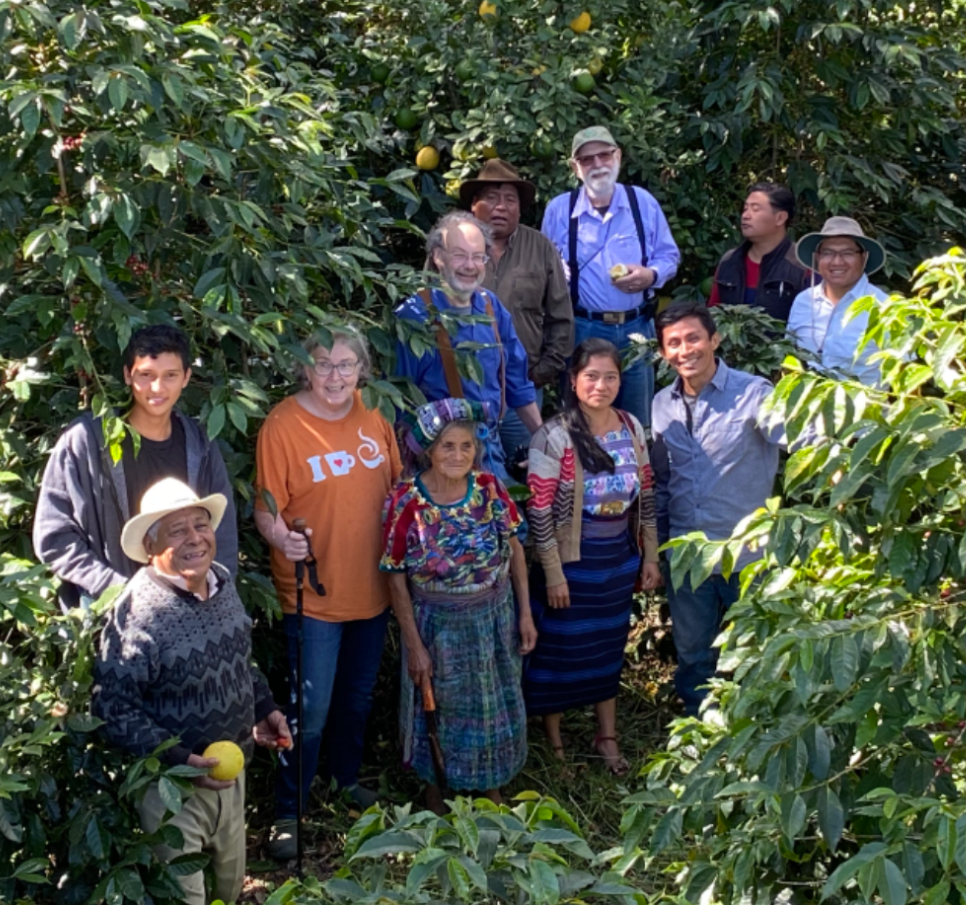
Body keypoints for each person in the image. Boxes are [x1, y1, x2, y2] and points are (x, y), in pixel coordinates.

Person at [92, 478, 289, 905]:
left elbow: (239, 659)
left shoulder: (221, 581)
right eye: (177, 530)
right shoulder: (136, 614)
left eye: (201, 525)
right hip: (171, 793)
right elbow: (111, 708)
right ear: (150, 546)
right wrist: (180, 762)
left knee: (229, 890)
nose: (195, 538)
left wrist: (263, 708)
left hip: (230, 779)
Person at [253, 325, 402, 861]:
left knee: (356, 698)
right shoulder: (283, 425)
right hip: (312, 592)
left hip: (374, 587)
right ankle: (288, 811)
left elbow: (397, 488)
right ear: (304, 367)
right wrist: (279, 537)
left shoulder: (375, 412)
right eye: (323, 364)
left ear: (362, 368)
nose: (335, 376)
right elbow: (265, 507)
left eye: (346, 365)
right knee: (309, 707)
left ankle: (342, 779)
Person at [382, 399, 537, 813]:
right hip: (438, 625)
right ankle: (437, 797)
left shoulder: (489, 488)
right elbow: (395, 575)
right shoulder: (406, 502)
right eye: (447, 446)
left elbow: (515, 550)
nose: (457, 455)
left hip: (493, 619)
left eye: (466, 446)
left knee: (493, 708)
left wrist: (524, 613)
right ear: (429, 451)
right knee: (440, 711)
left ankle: (491, 793)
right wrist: (414, 644)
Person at [523, 339, 661, 773]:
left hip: (617, 560)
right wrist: (553, 573)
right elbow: (539, 509)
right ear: (573, 381)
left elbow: (647, 494)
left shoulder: (630, 426)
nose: (601, 385)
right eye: (591, 376)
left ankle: (607, 736)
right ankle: (556, 743)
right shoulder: (554, 436)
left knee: (607, 647)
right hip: (571, 564)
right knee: (559, 650)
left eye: (611, 376)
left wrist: (650, 555)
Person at [34, 323, 237, 608]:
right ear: (128, 375)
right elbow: (54, 536)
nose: (157, 387)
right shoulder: (86, 441)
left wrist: (215, 596)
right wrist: (119, 591)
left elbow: (222, 530)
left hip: (189, 613)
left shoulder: (201, 443)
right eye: (146, 375)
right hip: (108, 614)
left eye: (170, 376)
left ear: (187, 377)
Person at [650, 303, 784, 717]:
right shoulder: (661, 403)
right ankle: (701, 731)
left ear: (714, 340)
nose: (684, 350)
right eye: (673, 343)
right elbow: (657, 481)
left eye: (693, 338)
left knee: (755, 650)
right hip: (687, 554)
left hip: (747, 552)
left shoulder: (753, 393)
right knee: (693, 652)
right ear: (663, 352)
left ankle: (757, 730)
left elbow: (797, 434)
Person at [541, 126, 680, 429]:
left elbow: (669, 256)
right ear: (575, 168)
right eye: (587, 159)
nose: (598, 164)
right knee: (583, 420)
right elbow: (547, 269)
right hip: (583, 328)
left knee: (637, 421)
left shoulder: (641, 202)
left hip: (637, 328)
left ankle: (638, 475)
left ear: (617, 156)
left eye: (604, 154)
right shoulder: (558, 210)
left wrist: (650, 275)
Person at [393, 211, 543, 484]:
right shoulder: (414, 315)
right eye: (460, 255)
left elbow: (517, 384)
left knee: (510, 524)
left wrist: (547, 441)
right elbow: (397, 404)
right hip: (440, 459)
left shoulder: (491, 306)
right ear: (439, 256)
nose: (470, 265)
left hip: (490, 448)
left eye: (478, 256)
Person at [461, 158, 574, 462]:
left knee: (528, 471)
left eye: (510, 199)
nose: (501, 207)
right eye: (492, 198)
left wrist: (542, 372)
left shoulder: (540, 247)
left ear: (520, 209)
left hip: (522, 391)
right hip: (464, 392)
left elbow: (560, 317)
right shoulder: (453, 248)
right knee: (468, 473)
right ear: (474, 204)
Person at [787, 216, 890, 386]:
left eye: (847, 253)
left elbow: (904, 374)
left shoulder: (885, 308)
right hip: (808, 410)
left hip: (867, 410)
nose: (837, 261)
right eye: (828, 253)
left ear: (863, 258)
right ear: (817, 257)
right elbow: (789, 356)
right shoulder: (804, 301)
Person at [708, 183, 808, 323]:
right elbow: (713, 315)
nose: (745, 216)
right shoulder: (729, 261)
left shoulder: (801, 264)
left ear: (780, 218)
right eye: (745, 209)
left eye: (755, 209)